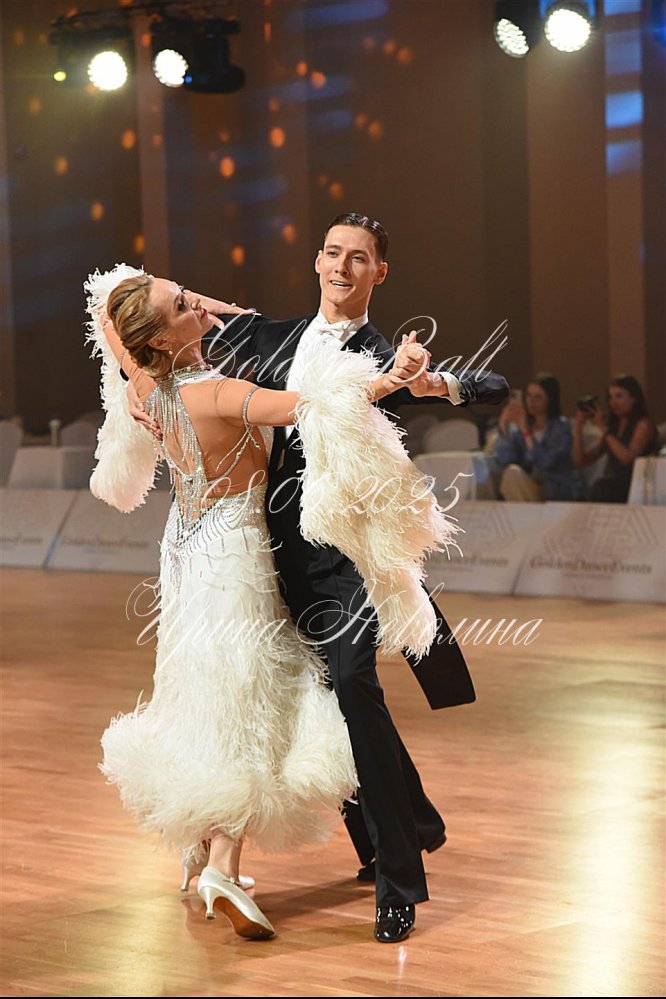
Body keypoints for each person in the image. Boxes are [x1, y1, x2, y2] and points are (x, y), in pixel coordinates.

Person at [130, 212, 509, 942]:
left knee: (356, 686)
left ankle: (400, 878)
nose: (342, 266)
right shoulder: (268, 337)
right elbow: (159, 322)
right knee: (326, 696)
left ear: (379, 273)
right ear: (317, 261)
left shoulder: (379, 356)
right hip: (272, 554)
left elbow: (472, 384)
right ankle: (408, 824)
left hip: (345, 556)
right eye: (333, 253)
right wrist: (147, 398)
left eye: (358, 258)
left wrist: (436, 382)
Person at [491, 374, 584, 501]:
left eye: (538, 397)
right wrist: (503, 427)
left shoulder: (561, 427)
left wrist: (526, 433)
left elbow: (545, 463)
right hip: (529, 485)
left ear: (549, 399)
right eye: (528, 395)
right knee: (511, 474)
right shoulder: (521, 427)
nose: (531, 402)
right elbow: (505, 460)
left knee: (515, 479)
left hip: (556, 488)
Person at [572, 374, 659, 503]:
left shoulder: (643, 425)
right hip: (612, 485)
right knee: (599, 488)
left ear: (633, 398)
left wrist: (603, 428)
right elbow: (581, 460)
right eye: (610, 397)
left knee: (602, 488)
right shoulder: (614, 428)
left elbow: (627, 458)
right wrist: (578, 428)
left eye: (619, 396)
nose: (613, 403)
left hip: (636, 486)